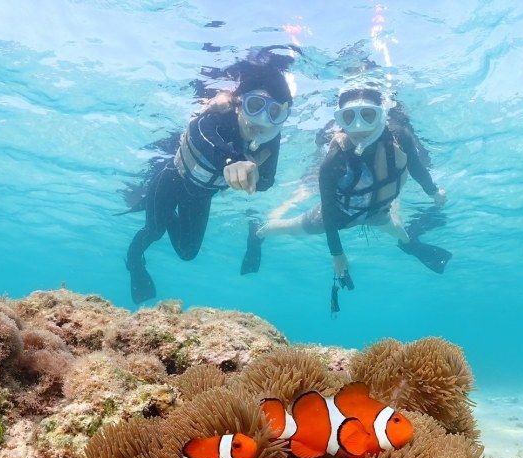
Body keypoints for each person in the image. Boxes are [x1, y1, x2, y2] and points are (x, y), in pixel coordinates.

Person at [124, 53, 294, 304]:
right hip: (171, 181)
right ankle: (134, 263)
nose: (262, 121)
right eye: (255, 106)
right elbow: (202, 135)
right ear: (239, 104)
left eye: (274, 113)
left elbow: (266, 182)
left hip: (201, 196)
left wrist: (254, 170)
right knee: (153, 230)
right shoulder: (217, 118)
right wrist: (233, 159)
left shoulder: (270, 137)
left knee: (188, 253)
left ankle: (165, 214)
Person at [242, 87, 451, 281]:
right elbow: (329, 210)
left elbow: (416, 167)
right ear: (340, 120)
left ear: (382, 115)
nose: (359, 127)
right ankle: (259, 232)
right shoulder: (334, 159)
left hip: (377, 213)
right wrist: (338, 255)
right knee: (291, 228)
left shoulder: (399, 136)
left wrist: (433, 192)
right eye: (349, 117)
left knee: (401, 233)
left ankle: (409, 245)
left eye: (368, 115)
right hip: (339, 215)